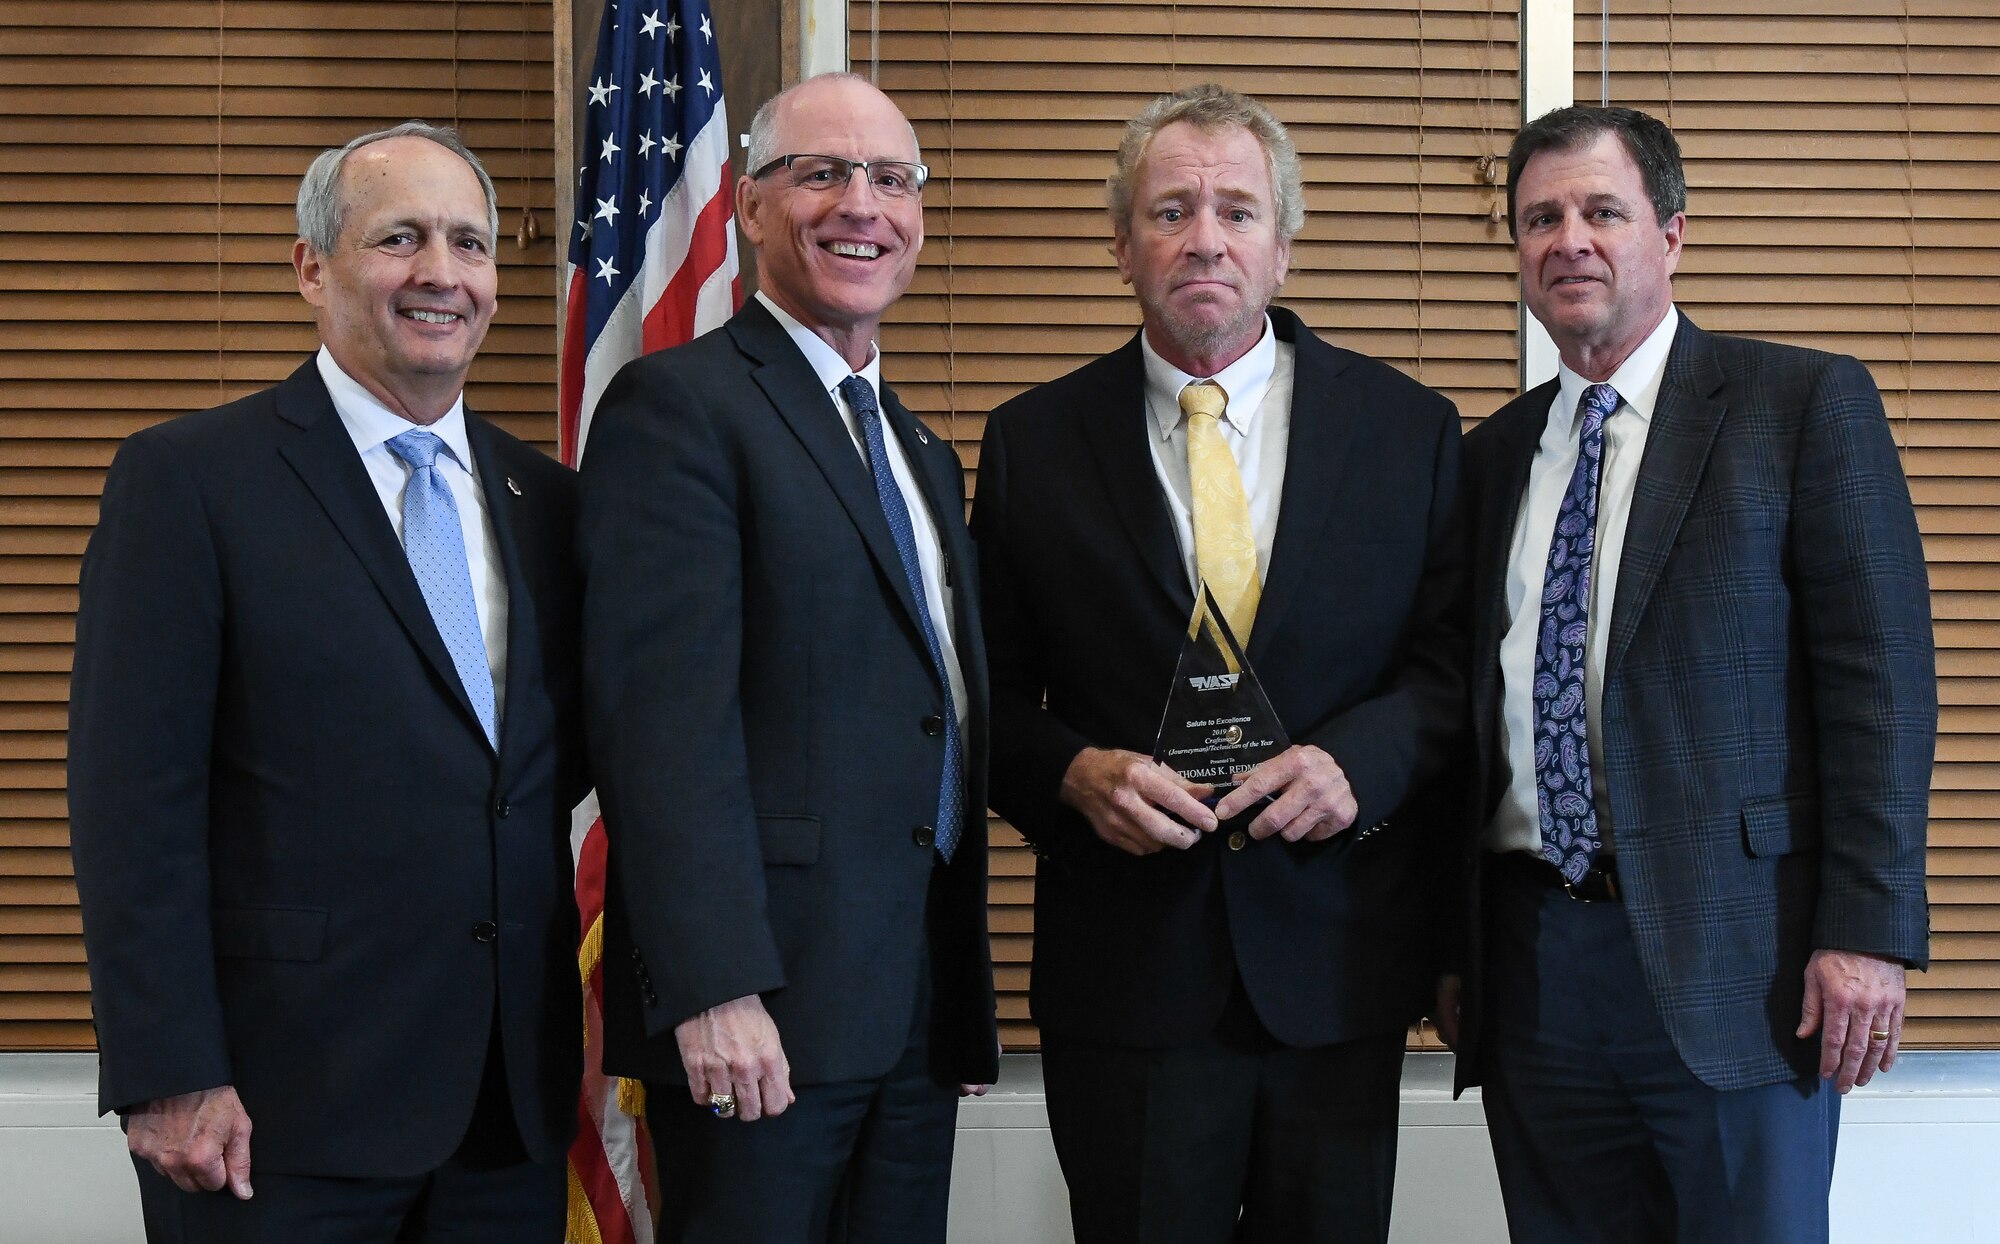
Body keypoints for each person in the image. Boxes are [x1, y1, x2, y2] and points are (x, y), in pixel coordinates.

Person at [67, 122, 586, 1241]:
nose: (441, 274)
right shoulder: (189, 481)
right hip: (270, 1109)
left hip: (506, 1112)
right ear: (313, 267)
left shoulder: (549, 502)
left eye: (470, 243)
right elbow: (131, 804)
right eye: (399, 238)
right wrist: (167, 1069)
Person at [970, 83, 1465, 1243]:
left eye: (1237, 210)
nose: (1204, 238)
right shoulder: (1032, 439)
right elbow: (978, 697)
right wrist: (1070, 773)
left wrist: (1357, 760)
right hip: (1126, 972)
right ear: (1121, 245)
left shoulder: (1408, 430)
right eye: (1170, 209)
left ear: (1282, 246)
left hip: (1334, 971)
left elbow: (1451, 670)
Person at [1439, 105, 1935, 1242]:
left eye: (1599, 211)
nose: (1568, 239)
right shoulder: (1488, 457)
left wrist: (1866, 927)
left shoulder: (1798, 405)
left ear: (1669, 232)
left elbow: (1880, 682)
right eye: (1539, 218)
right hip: (1535, 966)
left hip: (1740, 960)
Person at [578, 72, 998, 1244]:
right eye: (819, 172)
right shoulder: (680, 409)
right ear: (748, 208)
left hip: (909, 1010)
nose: (859, 203)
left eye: (890, 178)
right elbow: (662, 727)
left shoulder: (914, 444)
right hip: (759, 1010)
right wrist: (711, 984)